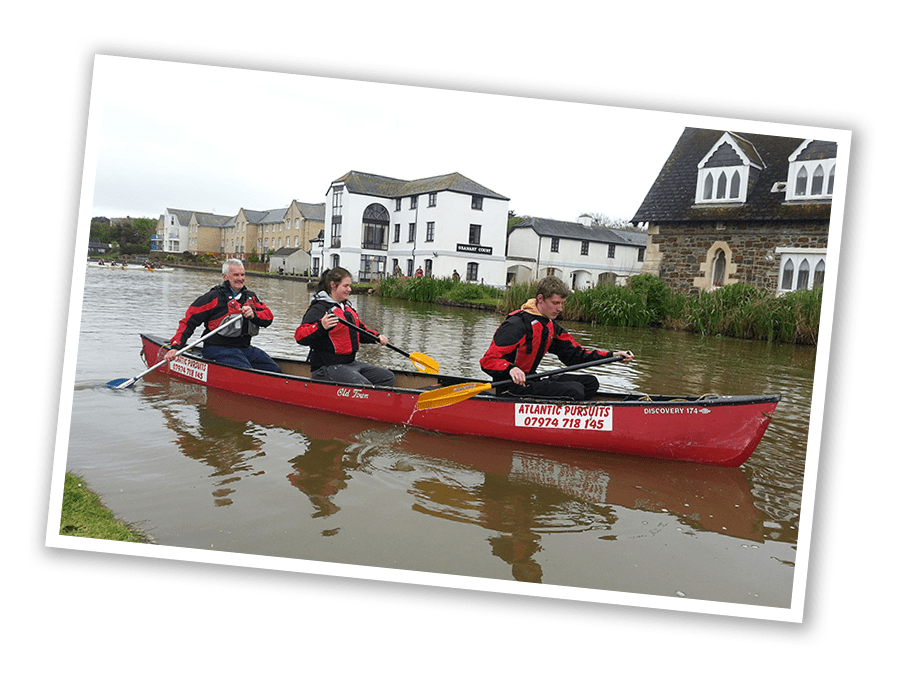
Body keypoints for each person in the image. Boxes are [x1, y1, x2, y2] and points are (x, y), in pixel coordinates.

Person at [480, 275, 633, 400]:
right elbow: (488, 361)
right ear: (540, 299)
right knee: (575, 391)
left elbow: (575, 355)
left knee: (590, 383)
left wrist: (612, 355)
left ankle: (575, 417)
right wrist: (511, 369)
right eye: (555, 303)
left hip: (532, 380)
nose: (560, 309)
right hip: (511, 388)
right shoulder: (515, 325)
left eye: (562, 303)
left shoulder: (550, 326)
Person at [163, 258, 282, 373]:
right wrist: (176, 347)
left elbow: (268, 317)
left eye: (242, 275)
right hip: (217, 348)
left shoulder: (250, 297)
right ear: (225, 277)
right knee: (245, 372)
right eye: (236, 275)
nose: (240, 279)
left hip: (244, 348)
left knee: (275, 370)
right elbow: (189, 321)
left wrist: (253, 315)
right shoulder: (213, 297)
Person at [294, 267, 395, 386]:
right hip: (326, 367)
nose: (349, 289)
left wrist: (376, 337)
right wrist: (321, 326)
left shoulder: (346, 309)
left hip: (349, 363)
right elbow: (300, 336)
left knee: (388, 377)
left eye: (350, 286)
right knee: (364, 386)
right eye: (345, 286)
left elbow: (361, 331)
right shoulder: (319, 308)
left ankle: (374, 401)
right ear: (333, 285)